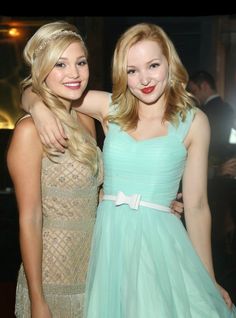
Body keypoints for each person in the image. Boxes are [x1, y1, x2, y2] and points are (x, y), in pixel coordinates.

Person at [20, 23, 236, 317]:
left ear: (169, 64)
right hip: (109, 246)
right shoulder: (112, 108)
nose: (144, 79)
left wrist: (208, 279)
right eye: (132, 70)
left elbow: (197, 207)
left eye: (153, 65)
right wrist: (38, 109)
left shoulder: (194, 121)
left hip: (160, 247)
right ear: (122, 73)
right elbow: (43, 86)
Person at [7, 21, 104, 318]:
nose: (74, 73)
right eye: (60, 64)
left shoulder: (87, 118)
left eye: (80, 62)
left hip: (94, 271)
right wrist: (38, 299)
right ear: (42, 70)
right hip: (51, 280)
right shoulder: (28, 132)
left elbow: (95, 198)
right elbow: (30, 218)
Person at [188, 70, 235, 168]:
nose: (192, 96)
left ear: (204, 86)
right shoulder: (228, 108)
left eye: (194, 91)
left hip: (211, 169)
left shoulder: (202, 113)